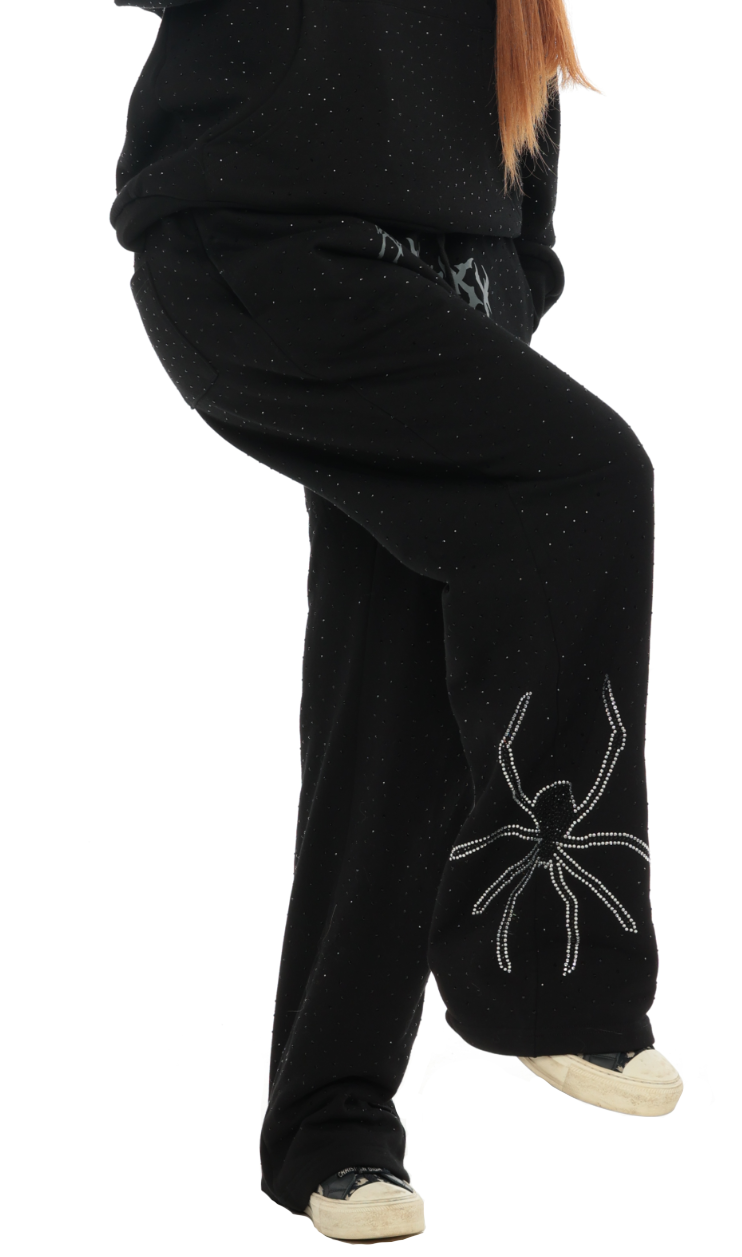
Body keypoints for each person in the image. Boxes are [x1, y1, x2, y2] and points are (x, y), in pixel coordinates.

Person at [111, 0, 683, 1241]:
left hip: (458, 284)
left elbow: (513, 102)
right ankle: (550, 970)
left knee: (394, 693)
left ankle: (330, 1129)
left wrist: (513, 279)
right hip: (272, 249)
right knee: (586, 481)